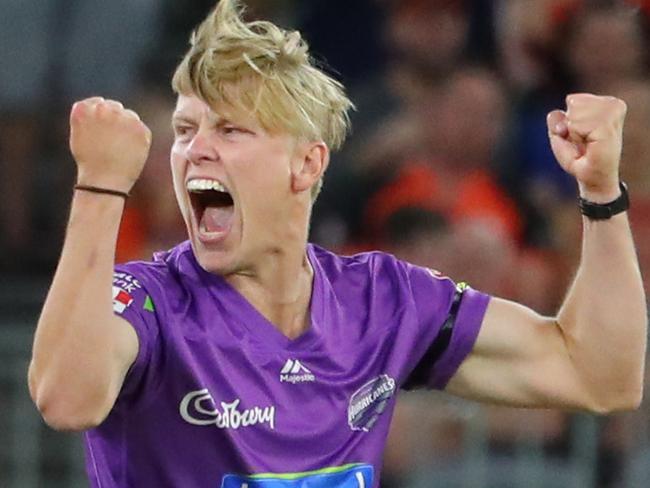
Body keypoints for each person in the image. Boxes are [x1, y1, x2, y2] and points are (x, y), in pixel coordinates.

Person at [28, 0, 647, 486]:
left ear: (306, 165)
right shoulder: (150, 301)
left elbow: (600, 376)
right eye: (187, 129)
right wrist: (100, 187)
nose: (195, 149)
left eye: (232, 129)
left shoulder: (382, 301)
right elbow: (65, 397)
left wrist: (600, 193)